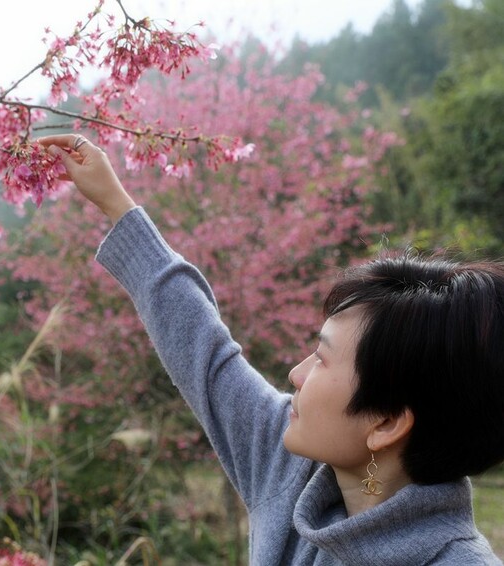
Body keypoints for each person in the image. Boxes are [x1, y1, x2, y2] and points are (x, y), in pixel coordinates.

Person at [37, 133, 504, 565]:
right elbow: (204, 349)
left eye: (322, 358)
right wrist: (117, 204)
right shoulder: (289, 469)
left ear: (385, 422)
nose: (296, 375)